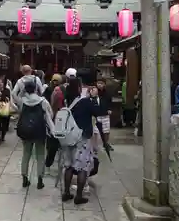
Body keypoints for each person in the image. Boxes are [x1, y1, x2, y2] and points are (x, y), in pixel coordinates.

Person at [61, 77, 99, 205]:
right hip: (82, 137)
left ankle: (66, 192)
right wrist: (91, 99)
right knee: (83, 167)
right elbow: (97, 112)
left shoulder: (67, 101)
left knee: (69, 165)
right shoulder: (85, 101)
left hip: (68, 137)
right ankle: (78, 196)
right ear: (79, 88)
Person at [17, 81, 54, 189]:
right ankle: (40, 179)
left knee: (26, 154)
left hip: (26, 132)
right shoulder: (43, 101)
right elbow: (50, 114)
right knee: (40, 155)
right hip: (39, 131)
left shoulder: (22, 101)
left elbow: (19, 111)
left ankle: (24, 178)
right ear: (36, 89)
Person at [95, 78, 113, 147]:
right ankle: (96, 145)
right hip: (97, 115)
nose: (99, 85)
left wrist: (109, 109)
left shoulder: (108, 93)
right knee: (96, 132)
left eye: (101, 83)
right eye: (98, 83)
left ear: (104, 84)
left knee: (106, 131)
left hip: (105, 114)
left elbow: (110, 102)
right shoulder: (94, 92)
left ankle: (106, 144)